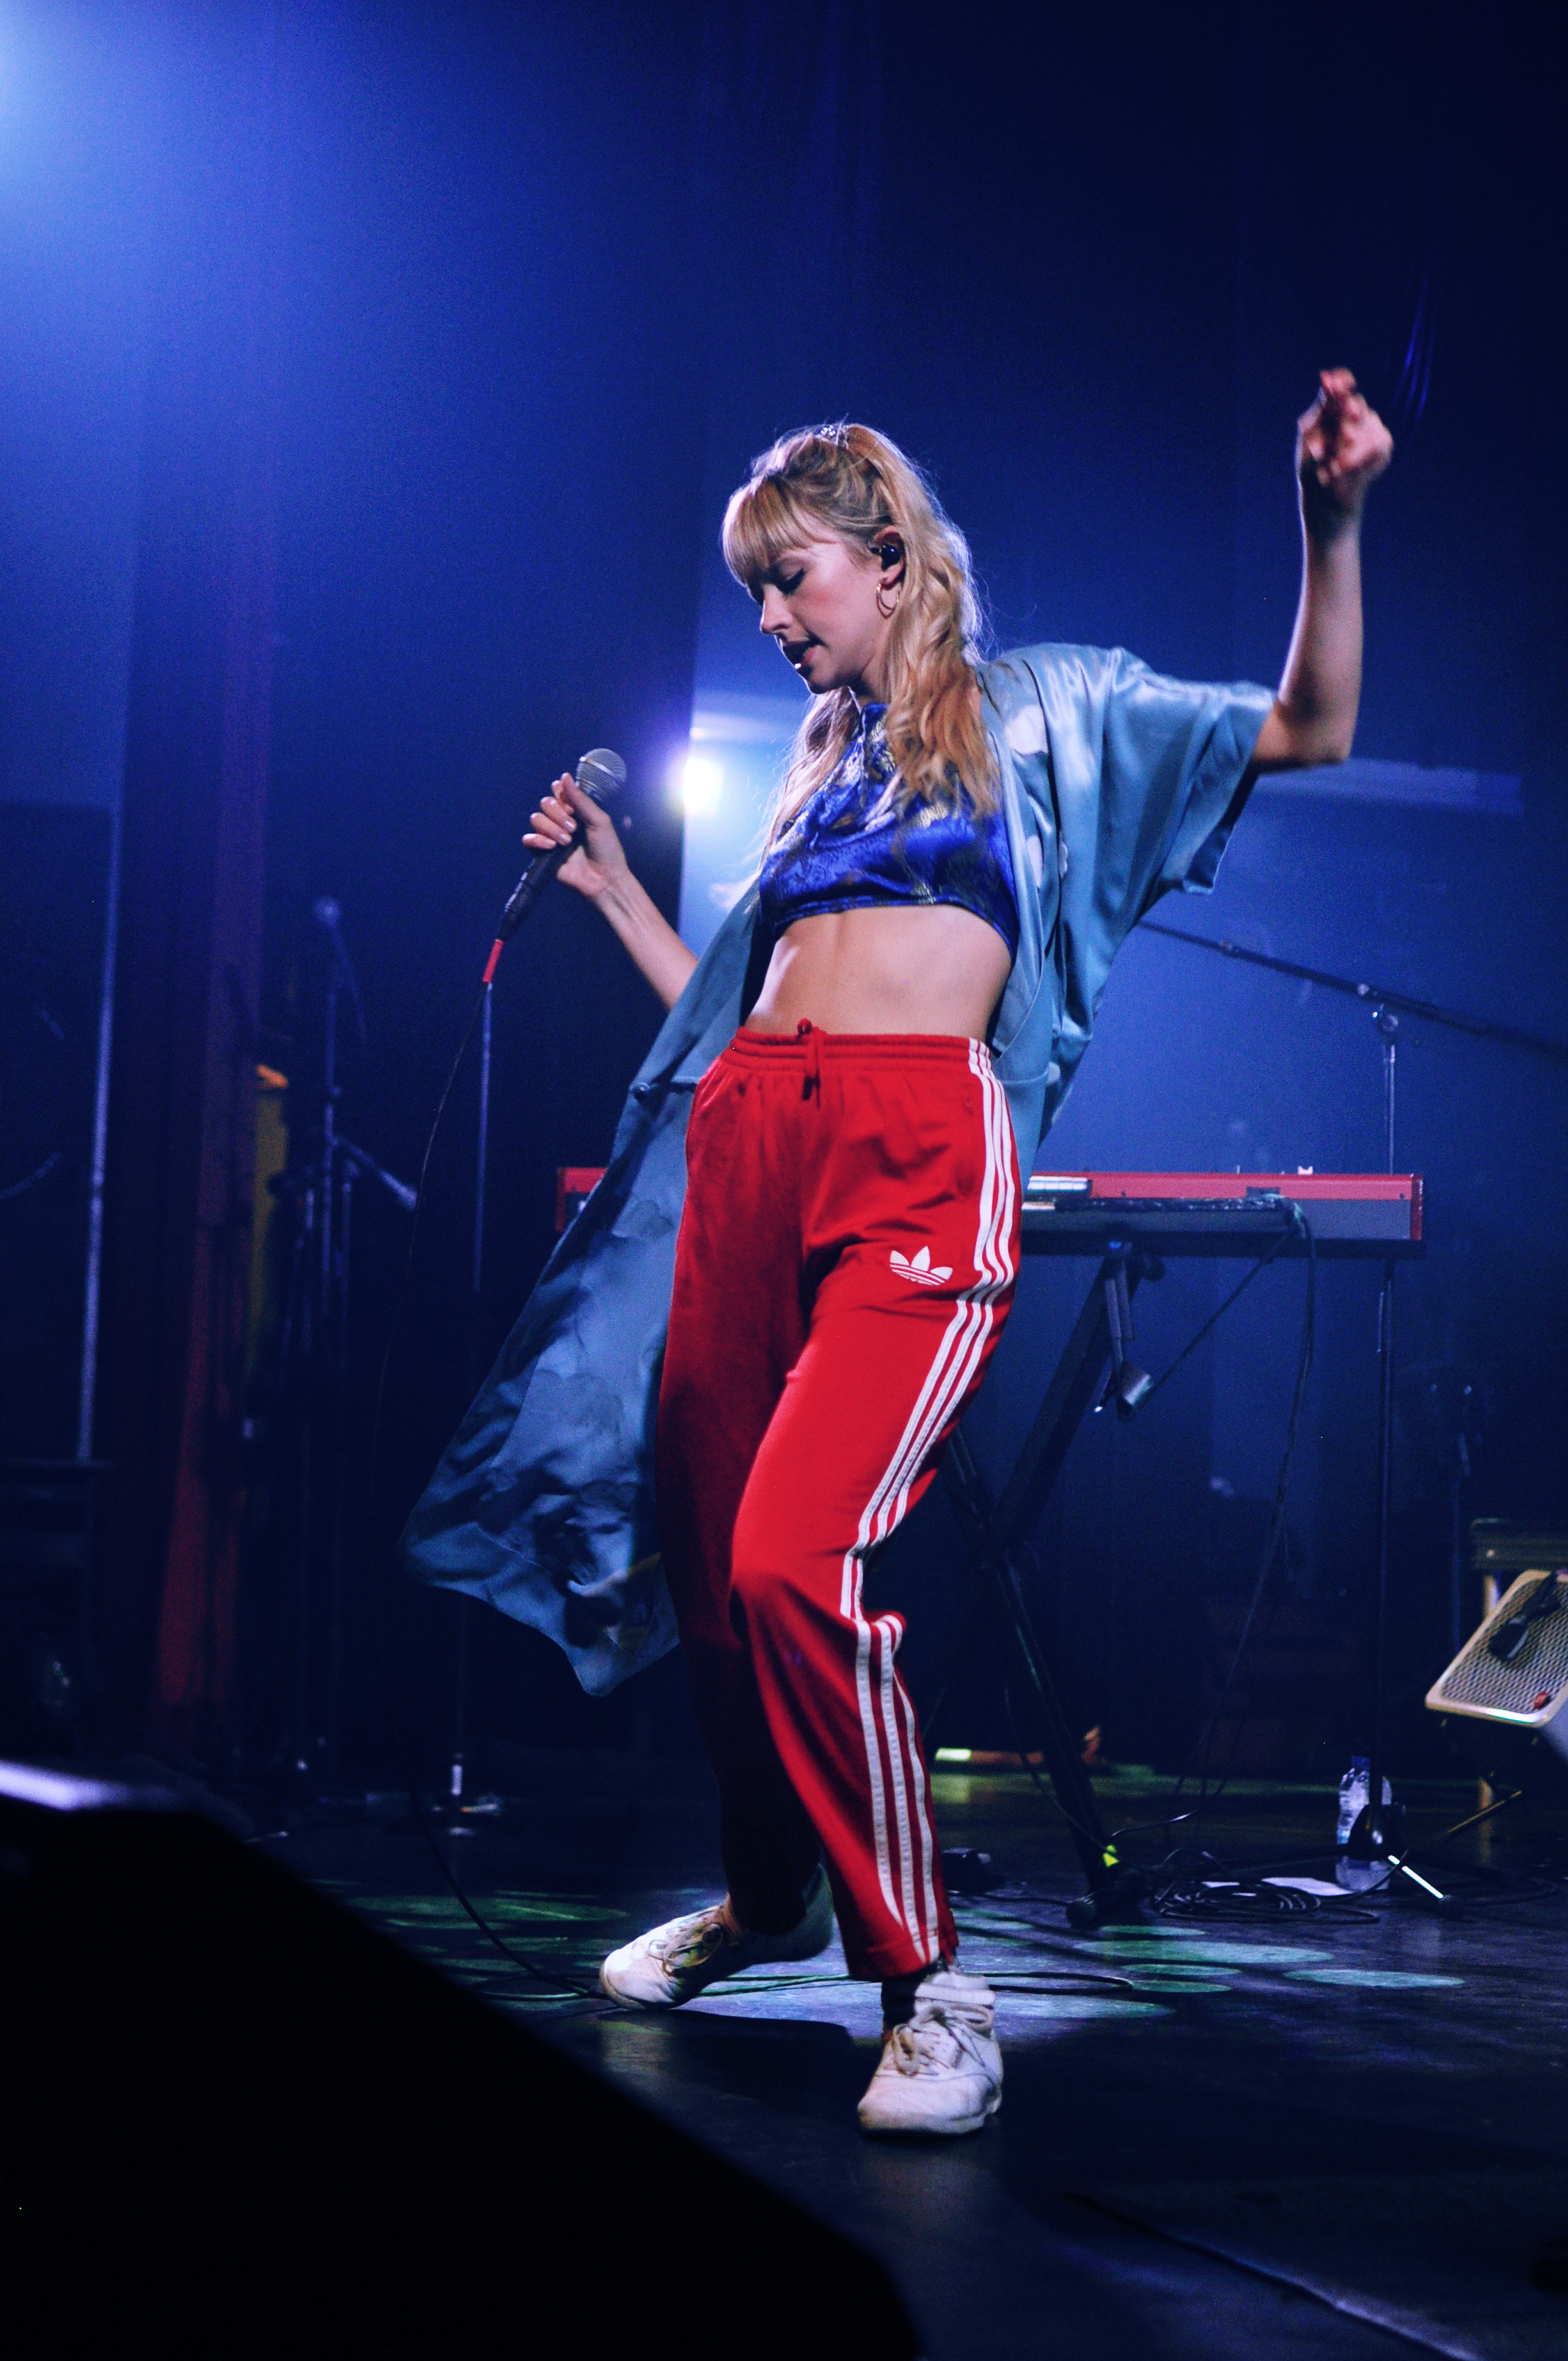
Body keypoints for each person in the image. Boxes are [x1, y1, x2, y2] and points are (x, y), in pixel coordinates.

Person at [403, 374, 1392, 2136]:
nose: (770, 619)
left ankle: (930, 1982)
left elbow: (1311, 724)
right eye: (754, 593)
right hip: (748, 1148)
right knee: (717, 1593)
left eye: (788, 580)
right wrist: (620, 893)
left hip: (915, 1160)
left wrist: (1330, 520)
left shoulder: (1043, 713)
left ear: (887, 559)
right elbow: (735, 1026)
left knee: (794, 1558)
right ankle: (767, 1897)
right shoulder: (815, 772)